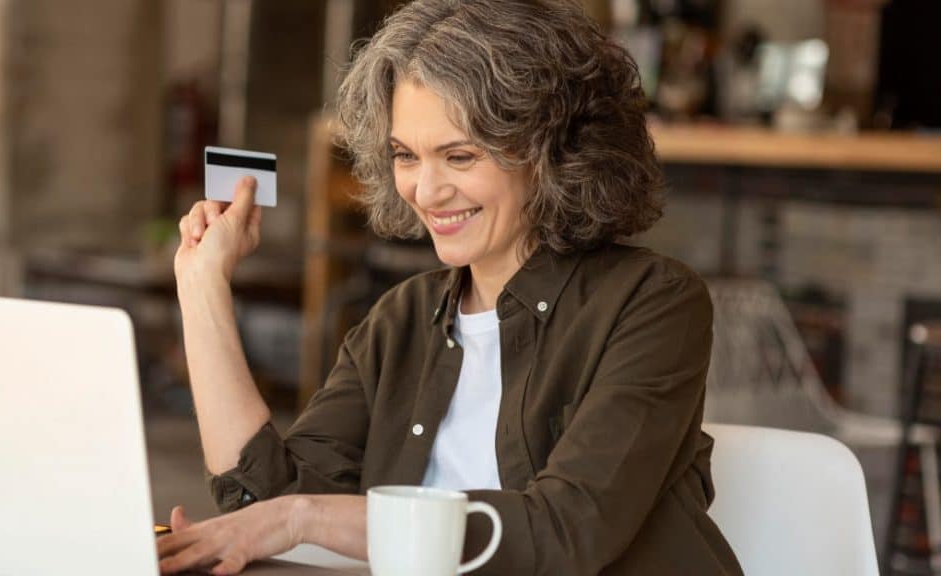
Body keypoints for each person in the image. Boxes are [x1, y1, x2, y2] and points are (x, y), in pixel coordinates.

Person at [158, 0, 743, 574]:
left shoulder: (653, 302)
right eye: (405, 155)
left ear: (553, 152)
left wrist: (305, 516)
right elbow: (265, 506)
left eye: (459, 156)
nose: (427, 190)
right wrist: (202, 284)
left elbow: (567, 530)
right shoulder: (402, 319)